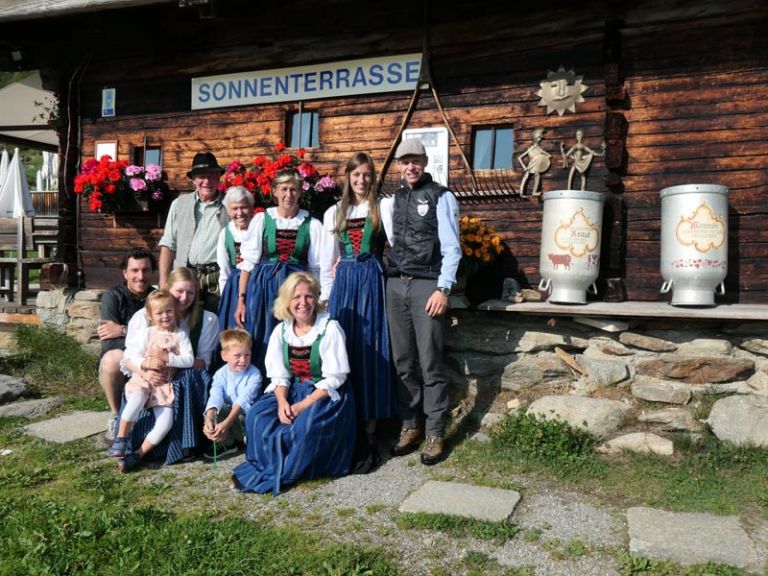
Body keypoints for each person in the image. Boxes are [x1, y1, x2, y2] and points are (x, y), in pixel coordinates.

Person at [232, 272, 355, 495]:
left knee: (303, 428)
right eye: (296, 297)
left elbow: (335, 378)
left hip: (324, 394)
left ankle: (289, 470)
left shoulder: (329, 328)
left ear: (316, 299)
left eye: (309, 296)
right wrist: (281, 403)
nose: (303, 303)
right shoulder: (282, 330)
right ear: (287, 301)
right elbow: (279, 376)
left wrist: (301, 406)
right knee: (256, 416)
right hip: (291, 390)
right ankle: (267, 466)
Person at [381, 138, 461, 466]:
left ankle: (436, 431)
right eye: (405, 161)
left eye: (416, 160)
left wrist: (443, 289)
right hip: (396, 285)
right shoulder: (392, 201)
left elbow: (452, 247)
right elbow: (389, 240)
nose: (410, 166)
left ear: (425, 162)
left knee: (430, 361)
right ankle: (410, 425)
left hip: (428, 285)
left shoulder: (442, 196)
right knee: (402, 361)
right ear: (399, 166)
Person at [320, 152, 396, 471]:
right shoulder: (334, 212)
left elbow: (395, 243)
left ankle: (371, 426)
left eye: (366, 175)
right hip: (345, 285)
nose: (361, 180)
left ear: (373, 177)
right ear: (348, 179)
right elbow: (327, 261)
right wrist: (326, 296)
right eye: (356, 175)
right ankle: (346, 418)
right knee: (345, 350)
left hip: (372, 279)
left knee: (373, 348)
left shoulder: (384, 206)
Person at [123, 267, 219, 464]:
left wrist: (169, 362)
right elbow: (128, 359)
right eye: (179, 291)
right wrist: (146, 372)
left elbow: (203, 362)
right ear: (167, 289)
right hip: (148, 373)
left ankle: (184, 444)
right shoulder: (145, 316)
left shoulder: (207, 319)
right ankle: (128, 441)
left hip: (185, 373)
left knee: (187, 379)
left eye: (190, 292)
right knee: (141, 387)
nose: (184, 298)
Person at [234, 168, 323, 376]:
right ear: (274, 191)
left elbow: (315, 269)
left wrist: (318, 299)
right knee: (261, 336)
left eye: (293, 189)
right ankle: (261, 389)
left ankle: (292, 387)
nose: (288, 195)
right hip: (264, 288)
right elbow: (248, 263)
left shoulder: (312, 224)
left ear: (300, 192)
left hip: (295, 290)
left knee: (294, 337)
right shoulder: (261, 220)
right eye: (284, 189)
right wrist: (242, 299)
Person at [109, 289, 194, 473]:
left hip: (163, 386)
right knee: (137, 399)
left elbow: (189, 360)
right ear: (150, 316)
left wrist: (168, 359)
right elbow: (130, 355)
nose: (165, 316)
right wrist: (145, 362)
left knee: (166, 423)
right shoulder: (147, 333)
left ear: (175, 311)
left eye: (169, 311)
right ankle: (121, 438)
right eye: (159, 313)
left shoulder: (181, 335)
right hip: (143, 379)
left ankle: (138, 455)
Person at [97, 248, 156, 444]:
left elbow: (161, 336)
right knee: (112, 360)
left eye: (146, 270)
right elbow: (109, 341)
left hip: (151, 357)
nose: (140, 276)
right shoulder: (112, 297)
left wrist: (122, 330)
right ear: (125, 273)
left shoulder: (156, 298)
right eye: (135, 270)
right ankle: (116, 416)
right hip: (124, 357)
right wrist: (135, 338)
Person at [158, 151, 229, 313]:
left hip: (216, 278)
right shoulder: (179, 204)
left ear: (218, 177)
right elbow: (168, 244)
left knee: (214, 323)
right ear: (194, 180)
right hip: (185, 277)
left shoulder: (230, 204)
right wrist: (163, 282)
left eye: (211, 176)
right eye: (201, 176)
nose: (206, 181)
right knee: (183, 324)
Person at [203, 328, 262, 459]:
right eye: (237, 356)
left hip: (245, 418)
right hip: (231, 419)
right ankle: (227, 443)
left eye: (247, 355)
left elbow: (242, 401)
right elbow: (215, 396)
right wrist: (210, 418)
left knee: (247, 414)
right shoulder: (220, 374)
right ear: (224, 356)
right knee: (212, 410)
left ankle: (249, 440)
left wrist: (227, 423)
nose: (243, 360)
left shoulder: (255, 374)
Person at [216, 185, 256, 333]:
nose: (240, 213)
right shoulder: (225, 234)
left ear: (251, 208)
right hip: (234, 287)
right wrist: (225, 298)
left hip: (257, 283)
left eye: (244, 207)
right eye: (234, 208)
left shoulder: (259, 228)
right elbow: (224, 270)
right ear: (228, 211)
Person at [517, 128, 551, 197]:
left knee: (537, 176)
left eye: (540, 138)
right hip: (531, 165)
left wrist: (542, 158)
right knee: (526, 177)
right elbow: (519, 158)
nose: (540, 139)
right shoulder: (531, 148)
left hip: (537, 166)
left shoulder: (539, 149)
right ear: (535, 137)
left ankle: (534, 192)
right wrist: (524, 167)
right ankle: (521, 193)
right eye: (539, 137)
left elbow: (549, 155)